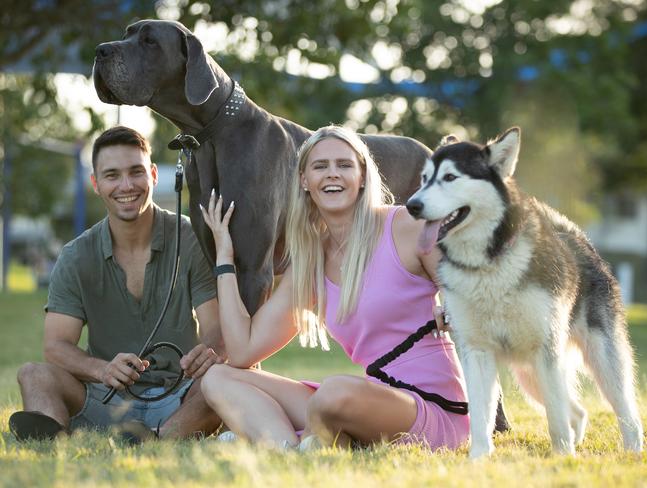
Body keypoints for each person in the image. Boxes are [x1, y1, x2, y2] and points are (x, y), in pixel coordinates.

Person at [199, 125, 470, 450]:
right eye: (320, 166)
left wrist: (454, 306)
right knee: (218, 377)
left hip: (430, 408)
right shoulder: (310, 263)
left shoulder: (406, 227)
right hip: (361, 401)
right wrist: (225, 258)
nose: (332, 174)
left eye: (344, 165)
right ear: (304, 181)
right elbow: (243, 351)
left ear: (362, 176)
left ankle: (301, 438)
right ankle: (288, 449)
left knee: (334, 391)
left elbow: (469, 294)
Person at [9, 126, 223, 442]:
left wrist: (210, 352)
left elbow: (215, 326)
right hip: (105, 397)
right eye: (112, 175)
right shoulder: (75, 256)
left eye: (136, 172)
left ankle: (159, 438)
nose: (126, 185)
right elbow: (55, 346)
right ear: (96, 183)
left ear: (152, 174)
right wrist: (103, 370)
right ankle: (50, 434)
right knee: (33, 374)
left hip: (180, 395)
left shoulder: (191, 238)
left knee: (226, 379)